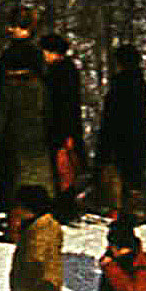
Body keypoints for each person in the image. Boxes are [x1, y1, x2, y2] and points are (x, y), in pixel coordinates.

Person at [0, 7, 51, 239]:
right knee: (33, 176)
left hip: (14, 126)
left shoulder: (9, 57)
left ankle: (15, 222)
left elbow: (1, 98)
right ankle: (29, 220)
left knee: (13, 175)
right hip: (36, 126)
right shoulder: (38, 57)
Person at [94, 44, 146, 223]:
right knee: (132, 173)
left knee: (115, 171)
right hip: (136, 134)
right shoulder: (139, 82)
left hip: (119, 134)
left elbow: (113, 114)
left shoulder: (121, 83)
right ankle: (132, 208)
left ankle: (117, 208)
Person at [39, 32, 88, 217]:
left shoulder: (60, 72)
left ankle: (66, 207)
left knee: (63, 169)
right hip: (66, 127)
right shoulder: (67, 70)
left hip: (62, 128)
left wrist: (64, 133)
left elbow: (64, 105)